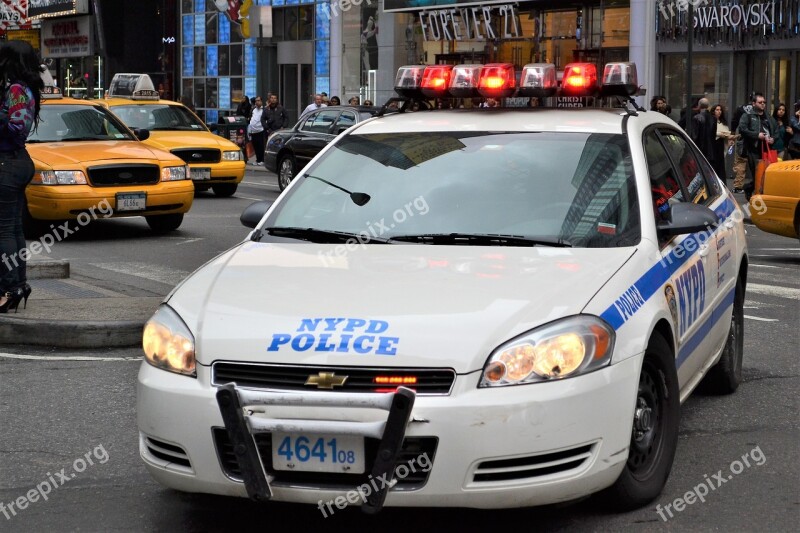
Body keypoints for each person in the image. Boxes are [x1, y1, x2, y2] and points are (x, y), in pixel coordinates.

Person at [0, 41, 43, 313]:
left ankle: (7, 289)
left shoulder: (17, 89)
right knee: (13, 228)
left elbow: (17, 128)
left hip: (9, 161)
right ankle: (18, 285)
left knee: (4, 230)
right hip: (15, 161)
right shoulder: (21, 87)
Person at [737, 92, 777, 200]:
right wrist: (756, 135)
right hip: (753, 149)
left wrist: (773, 138)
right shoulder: (747, 115)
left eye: (764, 102)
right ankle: (755, 194)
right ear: (754, 103)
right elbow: (742, 129)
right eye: (760, 102)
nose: (763, 104)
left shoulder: (768, 116)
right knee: (757, 173)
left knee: (766, 174)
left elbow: (775, 130)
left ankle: (750, 188)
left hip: (767, 149)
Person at [730, 93, 754, 192]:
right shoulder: (758, 110)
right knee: (755, 163)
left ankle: (738, 186)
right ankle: (757, 185)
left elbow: (734, 121)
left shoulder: (740, 108)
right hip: (754, 139)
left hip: (742, 138)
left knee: (740, 162)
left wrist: (732, 135)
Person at [711, 104, 735, 183]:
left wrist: (730, 140)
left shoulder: (723, 122)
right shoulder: (711, 121)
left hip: (721, 145)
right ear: (713, 111)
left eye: (720, 110)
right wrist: (719, 134)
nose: (719, 112)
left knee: (721, 166)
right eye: (717, 110)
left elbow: (727, 134)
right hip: (713, 145)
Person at [691, 98, 716, 164]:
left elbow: (694, 137)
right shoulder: (713, 118)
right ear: (708, 106)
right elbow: (713, 136)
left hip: (700, 151)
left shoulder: (697, 118)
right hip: (711, 152)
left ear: (699, 106)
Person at [247, 96, 265, 164]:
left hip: (260, 130)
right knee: (255, 146)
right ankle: (258, 160)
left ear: (261, 101)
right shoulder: (253, 109)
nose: (257, 102)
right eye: (256, 101)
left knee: (261, 146)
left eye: (258, 100)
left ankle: (262, 160)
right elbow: (251, 118)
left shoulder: (264, 110)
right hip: (253, 131)